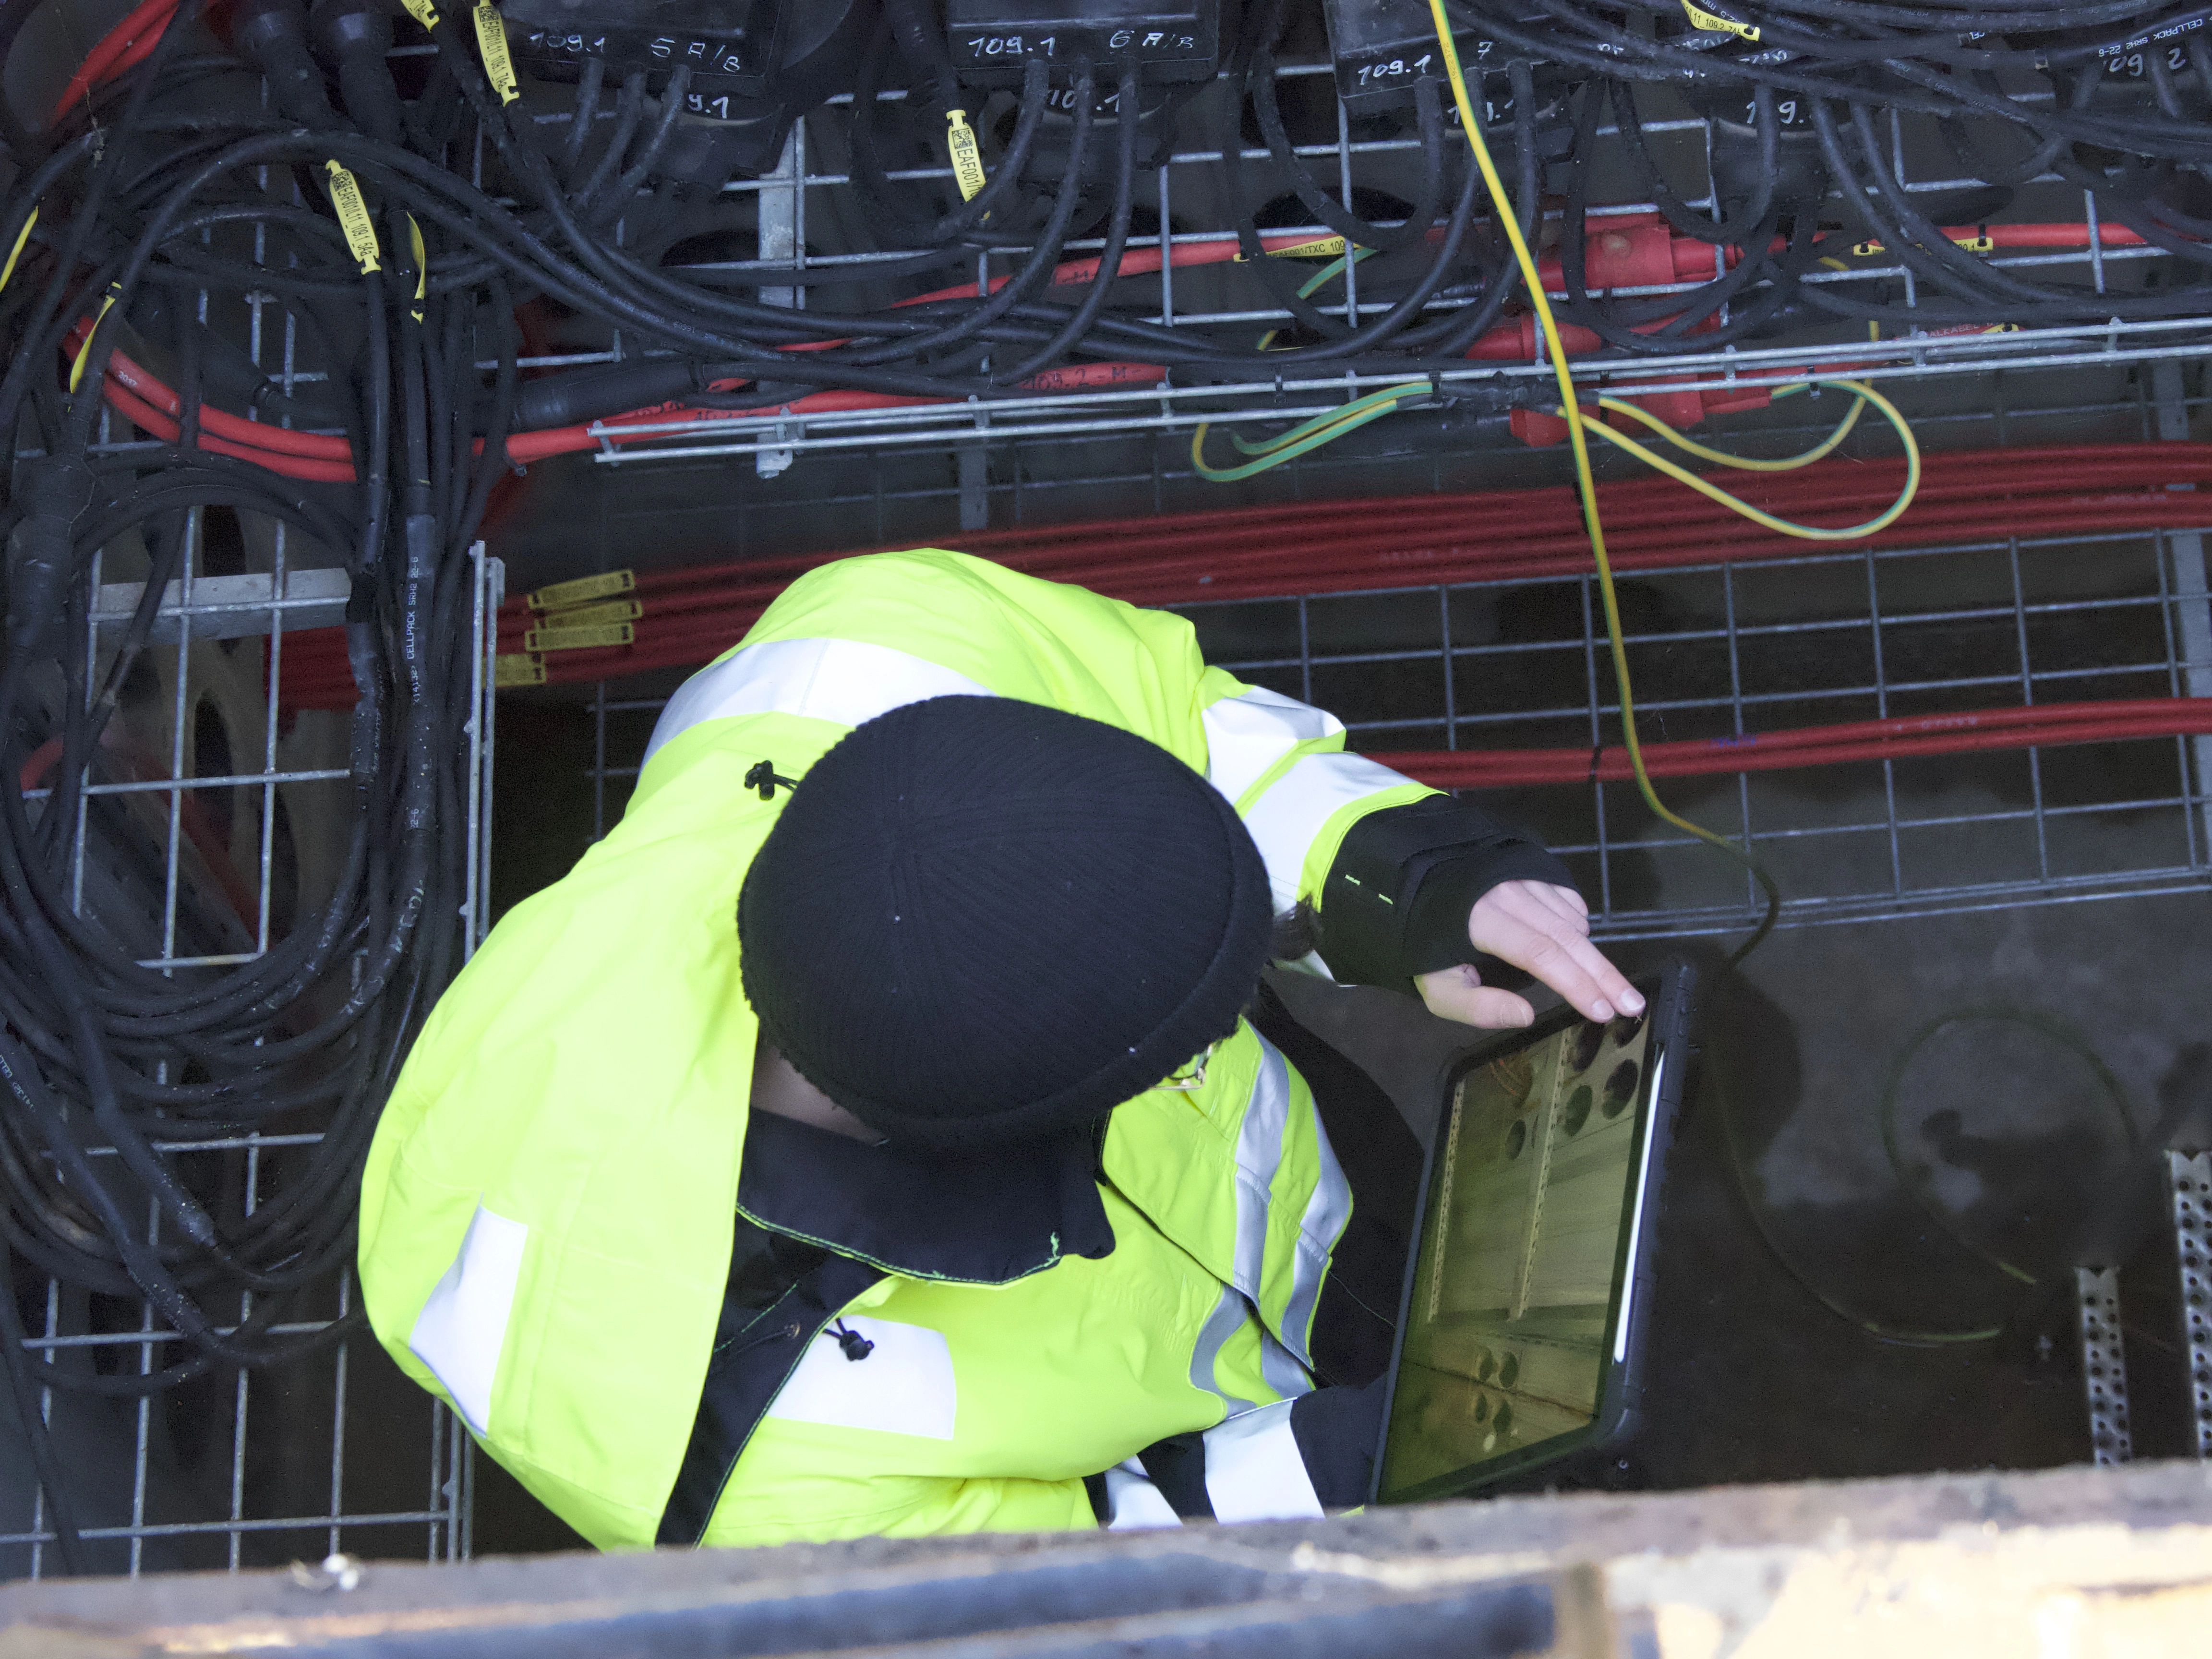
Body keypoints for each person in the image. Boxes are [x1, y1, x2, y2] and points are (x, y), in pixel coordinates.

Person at [358, 549, 1639, 1549]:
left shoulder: (876, 636)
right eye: (1181, 1050)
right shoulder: (742, 1471)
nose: (1224, 1046)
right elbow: (1096, 1577)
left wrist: (1375, 874)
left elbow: (1173, 721)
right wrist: (1379, 1467)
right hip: (1259, 1414)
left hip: (1307, 1210)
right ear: (1020, 1136)